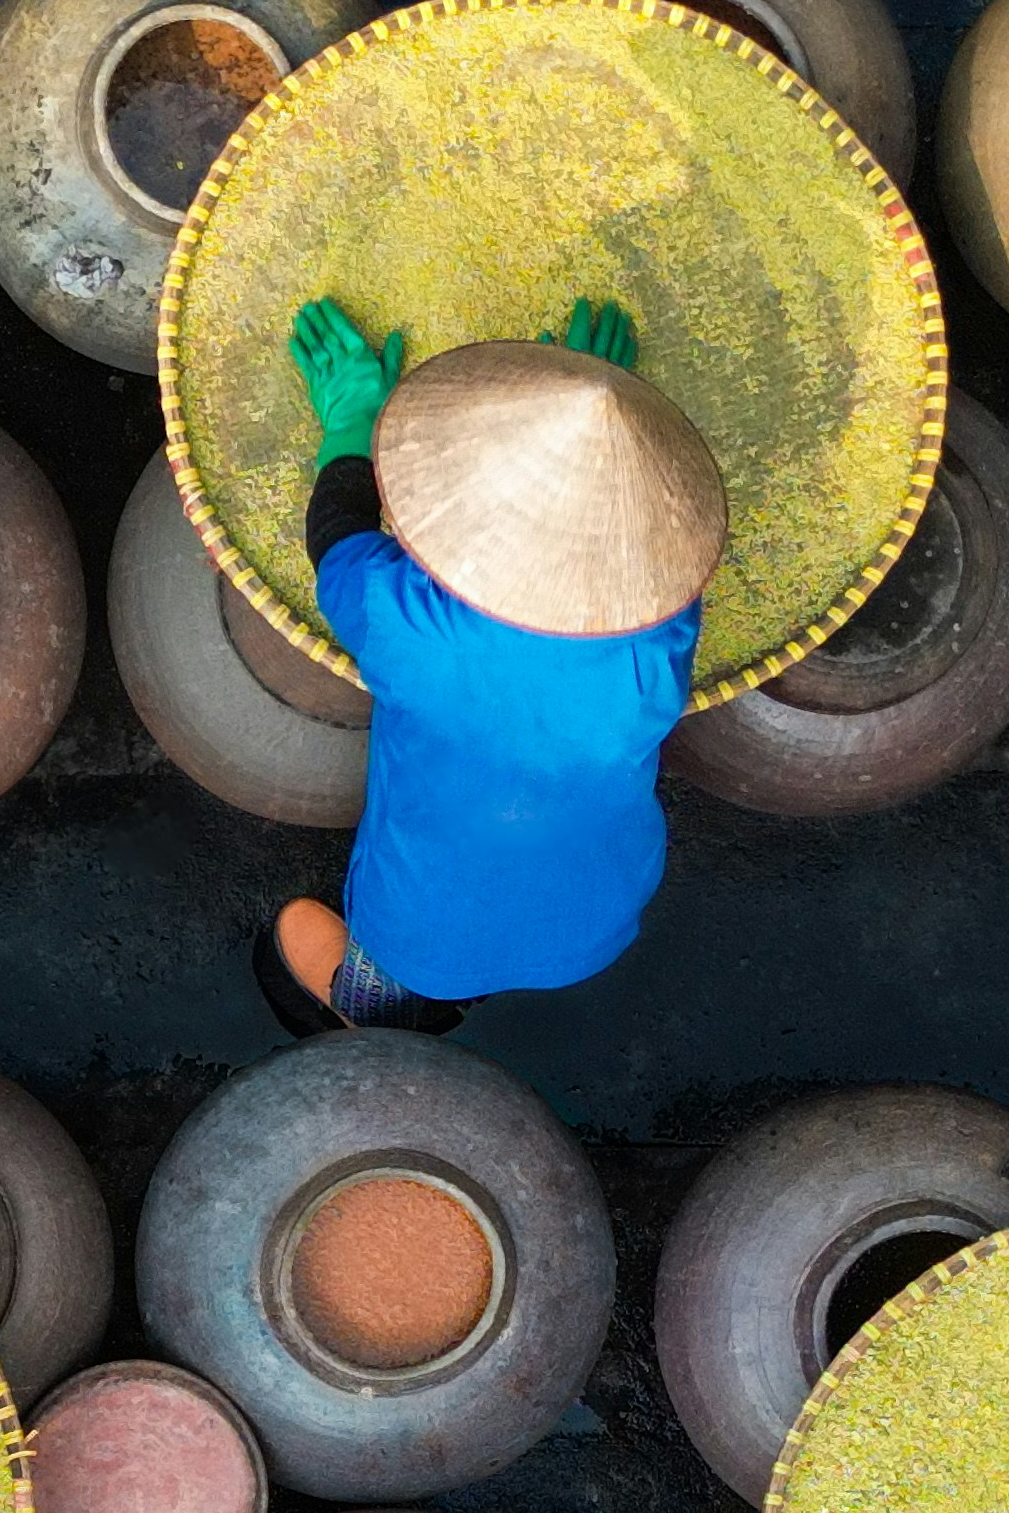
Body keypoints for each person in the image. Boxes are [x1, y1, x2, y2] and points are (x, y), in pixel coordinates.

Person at [265, 293, 728, 1034]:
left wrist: (352, 420)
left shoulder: (413, 624)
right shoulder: (658, 630)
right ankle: (471, 979)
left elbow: (337, 535)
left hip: (415, 939)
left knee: (292, 930)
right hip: (594, 929)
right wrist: (596, 442)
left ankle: (388, 1009)